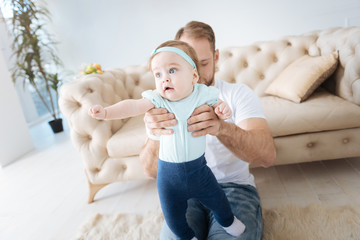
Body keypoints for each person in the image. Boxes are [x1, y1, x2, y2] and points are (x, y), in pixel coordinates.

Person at [88, 40, 246, 240]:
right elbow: (132, 106)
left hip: (199, 171)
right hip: (168, 177)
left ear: (194, 76)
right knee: (172, 216)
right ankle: (188, 236)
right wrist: (106, 112)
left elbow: (219, 105)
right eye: (158, 74)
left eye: (172, 70)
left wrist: (223, 110)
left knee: (217, 199)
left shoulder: (202, 94)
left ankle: (228, 221)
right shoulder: (157, 99)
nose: (165, 79)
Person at [139, 21, 276, 240]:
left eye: (202, 63)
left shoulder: (237, 94)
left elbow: (267, 156)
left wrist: (222, 128)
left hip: (234, 189)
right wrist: (157, 133)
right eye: (186, 64)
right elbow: (150, 171)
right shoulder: (162, 102)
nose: (196, 73)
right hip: (184, 194)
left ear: (216, 57)